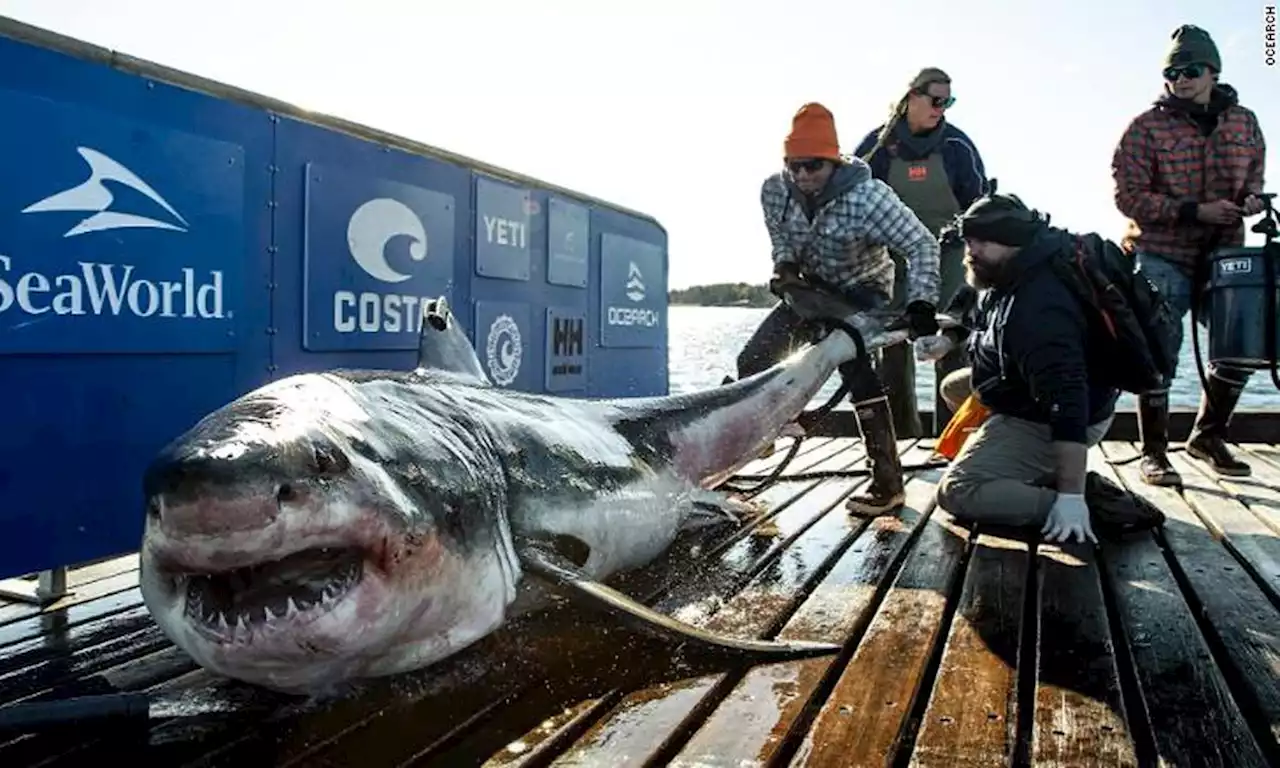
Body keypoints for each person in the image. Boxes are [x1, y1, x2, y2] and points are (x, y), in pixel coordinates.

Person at [736, 102, 942, 517]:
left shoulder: (869, 198)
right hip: (810, 287)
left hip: (862, 290)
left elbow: (921, 245)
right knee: (753, 359)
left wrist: (921, 302)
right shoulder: (774, 190)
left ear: (833, 161)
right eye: (794, 166)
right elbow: (780, 238)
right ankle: (760, 436)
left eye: (813, 166)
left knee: (857, 372)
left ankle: (887, 484)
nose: (802, 176)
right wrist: (785, 264)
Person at [1112, 24, 1268, 485]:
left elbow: (1254, 176)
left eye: (1190, 69)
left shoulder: (1245, 122)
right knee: (1159, 348)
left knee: (1242, 343)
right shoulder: (1143, 128)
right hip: (1161, 252)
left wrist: (1253, 200)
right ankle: (1154, 452)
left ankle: (1208, 436)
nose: (1180, 78)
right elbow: (1129, 197)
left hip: (1225, 253)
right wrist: (1194, 210)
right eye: (1172, 71)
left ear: (1213, 71)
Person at [927, 194, 1124, 544]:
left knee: (957, 490)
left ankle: (1088, 503)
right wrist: (946, 340)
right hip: (1018, 390)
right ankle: (1022, 465)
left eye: (983, 241)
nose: (971, 250)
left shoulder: (1039, 309)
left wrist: (1070, 498)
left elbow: (1068, 403)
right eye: (969, 240)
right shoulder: (1011, 269)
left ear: (1013, 241)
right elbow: (978, 312)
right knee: (955, 388)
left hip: (1055, 416)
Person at [853, 67, 990, 438]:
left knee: (949, 342)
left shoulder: (957, 146)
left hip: (949, 253)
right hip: (892, 256)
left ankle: (954, 439)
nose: (941, 108)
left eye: (949, 101)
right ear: (911, 97)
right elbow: (853, 202)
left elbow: (979, 207)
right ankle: (902, 437)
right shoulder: (877, 147)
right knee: (893, 346)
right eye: (935, 100)